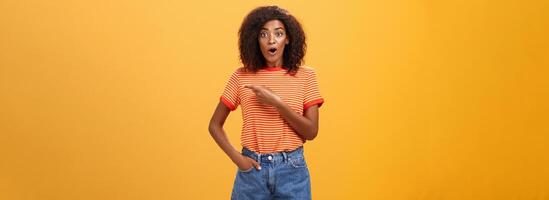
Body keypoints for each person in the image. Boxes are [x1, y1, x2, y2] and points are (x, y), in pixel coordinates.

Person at [208, 5, 324, 200]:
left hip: (292, 171)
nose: (271, 40)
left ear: (287, 39)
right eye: (264, 34)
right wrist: (239, 160)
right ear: (255, 39)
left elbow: (311, 132)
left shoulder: (306, 77)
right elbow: (214, 125)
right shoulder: (241, 77)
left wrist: (277, 103)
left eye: (278, 34)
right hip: (252, 172)